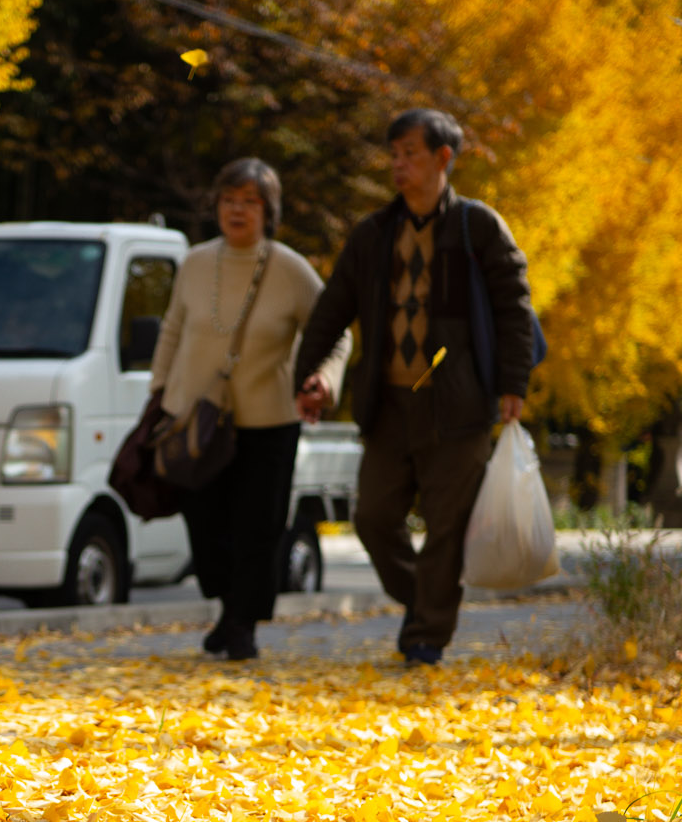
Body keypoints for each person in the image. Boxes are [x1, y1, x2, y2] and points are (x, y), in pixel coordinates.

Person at [293, 108, 534, 666]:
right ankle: (422, 599)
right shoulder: (374, 235)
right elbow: (333, 309)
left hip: (460, 405)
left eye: (410, 154)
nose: (398, 165)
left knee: (447, 527)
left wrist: (512, 384)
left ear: (443, 158)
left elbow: (514, 309)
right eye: (394, 155)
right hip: (388, 405)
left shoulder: (479, 228)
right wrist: (309, 375)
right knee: (373, 518)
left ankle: (425, 636)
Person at [149, 158, 349, 661]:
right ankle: (227, 608)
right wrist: (157, 392)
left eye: (250, 201)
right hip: (194, 419)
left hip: (269, 423)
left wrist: (323, 380)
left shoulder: (289, 267)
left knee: (258, 530)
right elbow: (172, 328)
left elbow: (336, 333)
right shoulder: (194, 262)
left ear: (269, 211)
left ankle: (243, 626)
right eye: (229, 200)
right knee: (205, 526)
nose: (237, 210)